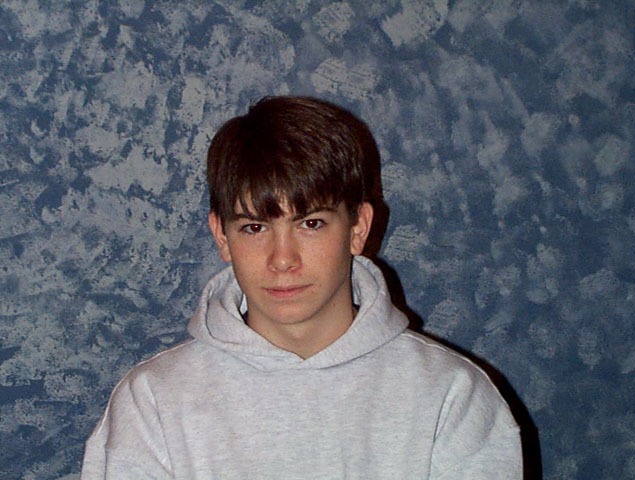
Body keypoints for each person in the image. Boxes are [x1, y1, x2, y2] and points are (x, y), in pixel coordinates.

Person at [81, 96, 522, 479]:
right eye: (255, 228)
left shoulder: (450, 397)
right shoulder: (152, 403)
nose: (282, 259)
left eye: (310, 224)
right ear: (222, 236)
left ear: (358, 227)